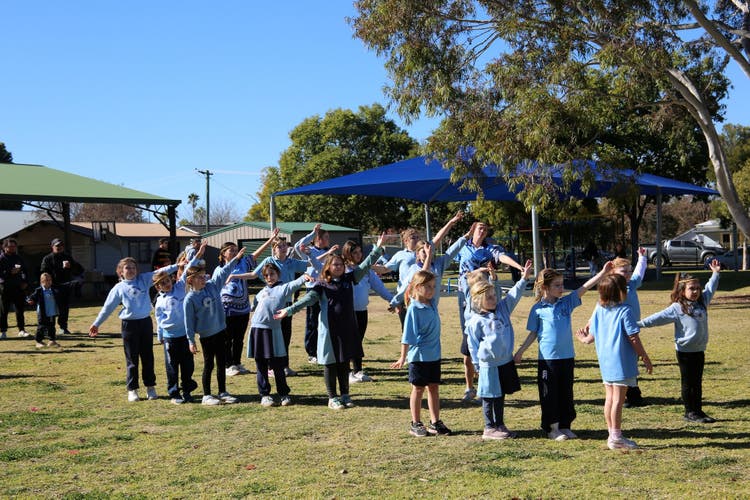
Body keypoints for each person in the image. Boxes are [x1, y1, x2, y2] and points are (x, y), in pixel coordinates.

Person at [276, 233, 387, 410]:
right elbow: (306, 301)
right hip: (329, 331)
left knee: (344, 363)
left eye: (341, 265)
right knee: (330, 364)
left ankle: (345, 395)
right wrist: (288, 310)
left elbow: (365, 266)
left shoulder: (349, 279)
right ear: (327, 267)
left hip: (347, 328)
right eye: (335, 264)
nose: (338, 267)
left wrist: (378, 248)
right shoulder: (321, 285)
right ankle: (332, 397)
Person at [514, 262, 613, 441]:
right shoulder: (537, 310)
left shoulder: (565, 303)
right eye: (557, 285)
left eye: (562, 284)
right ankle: (552, 428)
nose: (562, 288)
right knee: (549, 394)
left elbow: (584, 287)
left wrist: (603, 273)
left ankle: (565, 425)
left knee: (566, 392)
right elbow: (533, 334)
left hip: (567, 357)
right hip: (548, 360)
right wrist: (520, 352)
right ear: (545, 287)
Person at [575, 274, 653, 450]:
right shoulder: (625, 311)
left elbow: (590, 338)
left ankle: (612, 435)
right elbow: (633, 337)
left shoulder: (599, 310)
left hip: (606, 362)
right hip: (621, 362)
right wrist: (645, 357)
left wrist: (582, 339)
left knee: (610, 399)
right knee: (618, 399)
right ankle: (616, 437)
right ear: (621, 291)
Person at [637, 261, 721, 423]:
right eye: (691, 288)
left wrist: (716, 273)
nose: (696, 291)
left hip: (699, 350)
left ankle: (698, 410)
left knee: (697, 382)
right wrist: (638, 324)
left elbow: (711, 288)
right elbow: (657, 318)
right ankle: (689, 412)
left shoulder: (702, 301)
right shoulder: (677, 307)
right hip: (685, 352)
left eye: (697, 288)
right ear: (682, 291)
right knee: (688, 383)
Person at [89, 257, 181, 402]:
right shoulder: (118, 288)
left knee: (147, 356)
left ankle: (150, 387)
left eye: (133, 267)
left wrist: (178, 265)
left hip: (145, 323)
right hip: (129, 326)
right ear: (120, 272)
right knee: (132, 358)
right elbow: (108, 308)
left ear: (137, 270)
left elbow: (161, 271)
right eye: (127, 268)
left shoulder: (144, 280)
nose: (130, 270)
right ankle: (132, 389)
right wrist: (96, 324)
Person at [456, 221, 525, 404]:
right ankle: (469, 387)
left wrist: (518, 267)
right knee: (468, 348)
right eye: (480, 228)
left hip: (485, 302)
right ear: (472, 229)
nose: (483, 231)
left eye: (486, 229)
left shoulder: (491, 249)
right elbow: (458, 266)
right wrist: (477, 271)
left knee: (487, 343)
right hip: (467, 300)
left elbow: (502, 257)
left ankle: (484, 388)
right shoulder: (463, 246)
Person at [466, 259, 533, 440]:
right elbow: (472, 344)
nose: (493, 299)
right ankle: (489, 428)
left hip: (505, 361)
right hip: (488, 365)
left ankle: (500, 424)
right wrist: (476, 365)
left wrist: (524, 278)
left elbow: (513, 295)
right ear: (478, 300)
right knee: (489, 397)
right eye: (488, 297)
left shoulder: (502, 309)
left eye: (494, 296)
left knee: (501, 394)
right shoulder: (475, 321)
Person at [390, 270, 451, 436]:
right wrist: (403, 357)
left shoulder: (431, 304)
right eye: (428, 287)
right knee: (418, 390)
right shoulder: (413, 310)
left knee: (434, 388)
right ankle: (415, 423)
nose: (432, 290)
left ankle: (435, 422)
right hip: (419, 358)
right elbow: (407, 336)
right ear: (417, 288)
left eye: (433, 286)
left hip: (434, 356)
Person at [184, 247, 245, 406]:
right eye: (199, 277)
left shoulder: (212, 286)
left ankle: (223, 392)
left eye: (204, 276)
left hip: (221, 331)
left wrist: (235, 259)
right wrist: (191, 341)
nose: (203, 280)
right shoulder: (190, 299)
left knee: (221, 363)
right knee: (209, 364)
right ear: (191, 280)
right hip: (206, 336)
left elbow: (224, 272)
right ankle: (206, 395)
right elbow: (188, 322)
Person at [216, 230, 278, 378]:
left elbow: (256, 254)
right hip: (227, 308)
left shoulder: (243, 263)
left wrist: (270, 240)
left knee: (239, 338)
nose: (236, 253)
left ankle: (237, 363)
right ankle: (228, 364)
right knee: (227, 339)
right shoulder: (220, 269)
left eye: (236, 250)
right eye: (231, 250)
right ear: (224, 253)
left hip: (243, 308)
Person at [248, 263, 309, 407]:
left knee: (277, 364)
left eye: (272, 274)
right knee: (261, 364)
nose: (270, 277)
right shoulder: (261, 292)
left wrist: (304, 278)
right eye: (267, 275)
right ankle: (265, 395)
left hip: (273, 331)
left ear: (278, 275)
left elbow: (294, 285)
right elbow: (254, 305)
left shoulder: (282, 288)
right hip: (257, 330)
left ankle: (283, 394)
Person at [153, 245, 206, 404]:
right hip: (170, 338)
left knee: (187, 365)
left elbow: (188, 267)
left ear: (173, 279)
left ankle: (187, 390)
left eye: (168, 281)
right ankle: (174, 393)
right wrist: (160, 335)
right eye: (163, 283)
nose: (167, 284)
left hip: (185, 335)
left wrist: (198, 255)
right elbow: (159, 319)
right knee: (172, 366)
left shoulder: (180, 288)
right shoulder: (159, 302)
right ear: (158, 287)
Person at [253, 235, 313, 376]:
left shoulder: (291, 262)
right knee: (272, 337)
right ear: (273, 249)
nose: (283, 248)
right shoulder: (269, 261)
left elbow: (310, 264)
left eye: (285, 245)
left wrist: (327, 255)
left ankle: (284, 366)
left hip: (287, 304)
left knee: (285, 336)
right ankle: (271, 367)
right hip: (273, 306)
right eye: (279, 246)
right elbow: (256, 274)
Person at [342, 240, 394, 383]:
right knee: (348, 342)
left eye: (360, 252)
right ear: (348, 253)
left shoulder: (367, 271)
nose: (358, 255)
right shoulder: (343, 269)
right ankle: (346, 372)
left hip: (361, 311)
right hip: (347, 313)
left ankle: (358, 371)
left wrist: (393, 301)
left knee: (358, 342)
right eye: (355, 252)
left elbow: (380, 288)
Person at [293, 223, 339, 364]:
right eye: (325, 237)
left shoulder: (329, 252)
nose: (328, 240)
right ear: (317, 239)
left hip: (327, 289)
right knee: (312, 322)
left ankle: (326, 348)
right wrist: (313, 232)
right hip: (312, 289)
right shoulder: (308, 250)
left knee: (327, 321)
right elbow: (303, 253)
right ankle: (312, 352)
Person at [610, 248, 648, 407]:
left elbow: (640, 271)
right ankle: (627, 393)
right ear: (613, 272)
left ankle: (633, 393)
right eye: (623, 271)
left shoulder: (631, 285)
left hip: (632, 329)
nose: (627, 274)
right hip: (618, 330)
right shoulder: (611, 288)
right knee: (622, 361)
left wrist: (642, 257)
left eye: (629, 271)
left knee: (631, 360)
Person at [40, 238, 84, 335]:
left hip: (65, 286)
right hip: (52, 287)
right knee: (50, 308)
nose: (59, 247)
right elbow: (43, 272)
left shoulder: (67, 257)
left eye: (61, 245)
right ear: (52, 247)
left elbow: (80, 270)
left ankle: (63, 327)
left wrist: (70, 266)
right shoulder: (47, 258)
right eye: (57, 246)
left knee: (64, 308)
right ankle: (48, 328)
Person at [0, 238, 29, 338]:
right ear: (4, 247)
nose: (12, 248)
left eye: (14, 246)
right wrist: (9, 273)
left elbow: (25, 271)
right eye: (10, 246)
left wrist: (25, 282)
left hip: (18, 287)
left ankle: (21, 330)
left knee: (20, 310)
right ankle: (3, 331)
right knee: (4, 310)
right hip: (5, 288)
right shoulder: (1, 259)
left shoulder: (18, 258)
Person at [26, 272, 61, 348]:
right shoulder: (39, 290)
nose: (48, 282)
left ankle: (52, 341)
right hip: (42, 313)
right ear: (42, 281)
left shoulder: (53, 290)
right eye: (46, 280)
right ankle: (38, 341)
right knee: (41, 327)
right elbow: (32, 297)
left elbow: (58, 297)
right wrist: (30, 300)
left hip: (52, 312)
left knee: (52, 327)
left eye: (50, 280)